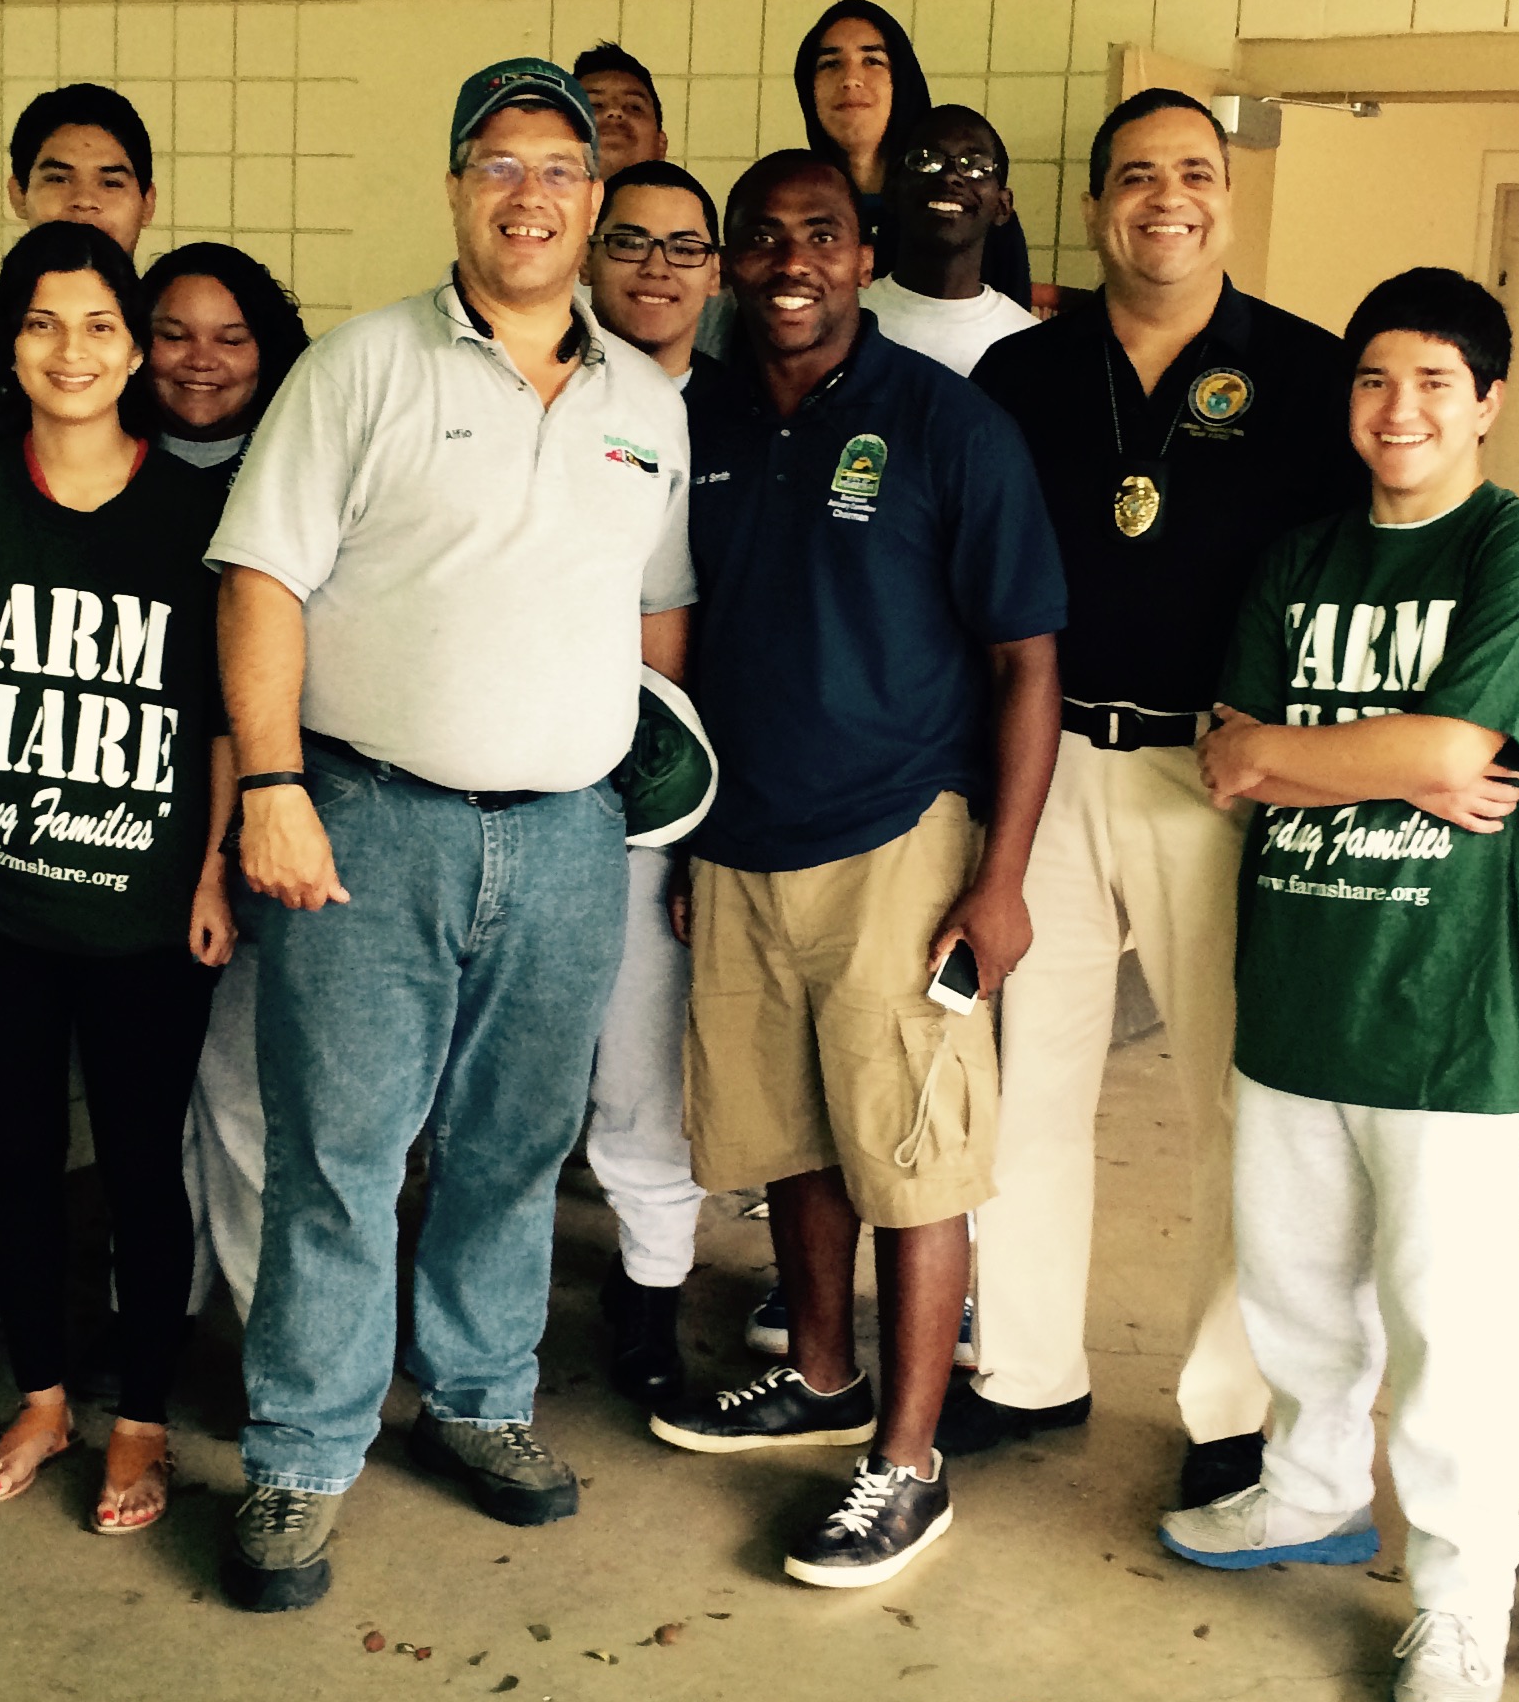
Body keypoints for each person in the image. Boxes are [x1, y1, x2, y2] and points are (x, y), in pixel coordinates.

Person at [208, 58, 692, 1611]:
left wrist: (631, 777)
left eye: (560, 166)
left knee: (512, 1149)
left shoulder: (648, 406)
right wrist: (271, 786)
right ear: (456, 188)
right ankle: (300, 1452)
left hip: (566, 843)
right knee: (340, 1158)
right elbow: (261, 584)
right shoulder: (358, 369)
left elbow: (655, 613)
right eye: (500, 163)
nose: (530, 193)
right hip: (367, 821)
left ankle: (483, 1403)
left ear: (596, 199)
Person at [1160, 269, 1519, 1702]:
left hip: (1443, 1008)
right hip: (1295, 986)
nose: (1397, 410)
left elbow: (1473, 736)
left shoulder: (1518, 552)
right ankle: (1311, 1494)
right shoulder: (1301, 559)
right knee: (1293, 1287)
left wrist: (1333, 751)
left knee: (1447, 1322)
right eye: (1371, 382)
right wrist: (1393, 760)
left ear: (1487, 402)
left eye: (1431, 383)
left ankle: (1465, 1603)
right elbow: (1224, 757)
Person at [646, 148, 1063, 1589]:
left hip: (901, 843)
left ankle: (906, 1461)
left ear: (863, 250)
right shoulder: (688, 417)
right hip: (744, 843)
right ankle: (817, 1375)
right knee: (794, 1137)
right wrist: (694, 835)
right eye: (759, 240)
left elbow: (1027, 662)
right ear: (729, 265)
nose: (789, 264)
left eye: (819, 234)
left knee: (914, 1154)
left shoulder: (946, 424)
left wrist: (998, 877)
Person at [963, 89, 1359, 1507]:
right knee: (1027, 1092)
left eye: (1194, 173)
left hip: (1220, 776)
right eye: (1136, 177)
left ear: (1230, 202)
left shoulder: (1311, 377)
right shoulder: (1021, 374)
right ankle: (1020, 1368)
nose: (1166, 198)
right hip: (1049, 763)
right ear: (1092, 208)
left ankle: (1230, 1408)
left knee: (1235, 1105)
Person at [0, 222, 232, 1536]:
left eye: (101, 325)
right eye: (45, 324)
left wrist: (214, 871)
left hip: (146, 910)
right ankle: (45, 1397)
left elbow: (229, 715)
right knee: (19, 1157)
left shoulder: (193, 515)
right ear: (10, 344)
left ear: (135, 349)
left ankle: (144, 1419)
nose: (73, 350)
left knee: (146, 1169)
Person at [578, 157, 729, 1409]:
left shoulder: (745, 411)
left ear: (716, 271)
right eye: (630, 242)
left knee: (642, 1071)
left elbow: (677, 612)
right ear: (586, 252)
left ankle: (648, 1299)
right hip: (513, 776)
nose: (656, 269)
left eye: (685, 247)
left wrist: (676, 815)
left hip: (667, 795)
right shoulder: (542, 383)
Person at [136, 240, 309, 1328]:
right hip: (116, 827)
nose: (201, 361)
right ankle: (161, 1301)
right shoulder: (98, 462)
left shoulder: (301, 468)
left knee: (247, 1097)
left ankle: (260, 1328)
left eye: (231, 336)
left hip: (257, 817)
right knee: (151, 1103)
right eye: (173, 333)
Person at [790, 0, 1031, 306]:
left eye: (873, 60)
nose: (850, 79)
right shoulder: (793, 202)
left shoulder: (967, 207)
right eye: (830, 64)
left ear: (902, 80)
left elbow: (1011, 338)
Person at [0, 83, 158, 396]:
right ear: (18, 195)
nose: (84, 200)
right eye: (58, 179)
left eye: (111, 182)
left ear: (147, 203)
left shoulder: (172, 337)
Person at [859, 104, 1037, 377]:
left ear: (1002, 205)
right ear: (892, 192)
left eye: (976, 166)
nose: (949, 176)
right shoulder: (846, 319)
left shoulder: (1028, 342)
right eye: (925, 160)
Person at [572, 42, 671, 181]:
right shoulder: (534, 200)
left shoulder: (693, 201)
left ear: (661, 145)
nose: (614, 112)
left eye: (634, 107)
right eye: (594, 105)